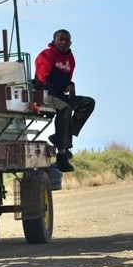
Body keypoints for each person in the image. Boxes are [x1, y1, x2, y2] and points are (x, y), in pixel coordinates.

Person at [34, 29, 95, 173]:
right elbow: (43, 79)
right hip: (44, 94)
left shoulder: (70, 59)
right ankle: (62, 153)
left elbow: (66, 80)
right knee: (65, 107)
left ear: (71, 43)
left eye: (66, 40)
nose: (63, 42)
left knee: (88, 102)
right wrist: (56, 94)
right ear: (54, 40)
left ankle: (60, 138)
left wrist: (70, 85)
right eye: (60, 39)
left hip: (60, 95)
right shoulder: (46, 55)